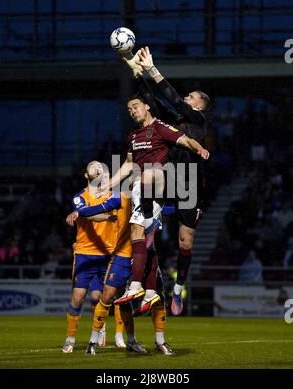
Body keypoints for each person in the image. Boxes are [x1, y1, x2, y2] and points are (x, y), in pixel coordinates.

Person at [122, 46, 210, 315]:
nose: (187, 97)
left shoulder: (197, 118)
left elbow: (171, 97)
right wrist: (138, 73)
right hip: (167, 176)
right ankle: (143, 278)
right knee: (146, 216)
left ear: (199, 105)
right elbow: (153, 99)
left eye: (191, 96)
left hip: (190, 183)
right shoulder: (174, 120)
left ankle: (177, 286)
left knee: (186, 242)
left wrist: (151, 68)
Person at [106, 95, 209, 313]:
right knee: (141, 238)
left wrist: (199, 148)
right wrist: (110, 184)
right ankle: (148, 290)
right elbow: (128, 164)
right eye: (129, 108)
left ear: (146, 107)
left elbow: (184, 139)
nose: (132, 110)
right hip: (147, 189)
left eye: (135, 106)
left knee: (185, 242)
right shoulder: (133, 135)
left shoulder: (166, 126)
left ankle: (177, 288)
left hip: (179, 183)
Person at [66, 161, 174, 355]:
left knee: (158, 297)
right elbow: (95, 209)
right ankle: (92, 341)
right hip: (123, 254)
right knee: (108, 296)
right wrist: (80, 210)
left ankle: (158, 341)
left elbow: (169, 210)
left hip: (147, 254)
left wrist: (188, 212)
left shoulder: (152, 201)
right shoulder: (121, 198)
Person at [62, 160, 132, 353]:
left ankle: (118, 335)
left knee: (115, 295)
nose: (98, 166)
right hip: (85, 253)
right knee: (79, 297)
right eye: (93, 165)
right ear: (86, 175)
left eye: (101, 166)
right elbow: (87, 214)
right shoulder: (79, 198)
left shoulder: (114, 196)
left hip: (109, 253)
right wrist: (106, 215)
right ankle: (70, 339)